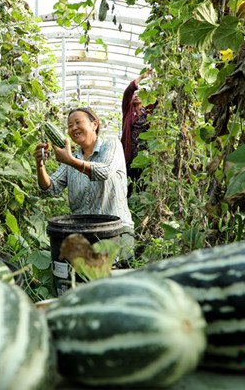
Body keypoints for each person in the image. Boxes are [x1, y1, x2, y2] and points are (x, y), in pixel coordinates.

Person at [34, 107, 134, 261]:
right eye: (69, 125)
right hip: (82, 233)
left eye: (78, 122)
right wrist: (40, 165)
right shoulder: (71, 159)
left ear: (94, 124)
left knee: (116, 278)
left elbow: (104, 171)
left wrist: (71, 161)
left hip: (115, 231)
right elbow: (50, 189)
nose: (73, 128)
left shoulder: (111, 145)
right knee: (80, 282)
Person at [121, 67, 156, 196]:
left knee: (143, 185)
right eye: (135, 94)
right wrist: (142, 77)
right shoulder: (128, 110)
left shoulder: (149, 110)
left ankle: (141, 208)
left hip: (145, 155)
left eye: (139, 94)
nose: (136, 95)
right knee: (128, 186)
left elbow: (158, 97)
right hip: (130, 154)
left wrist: (154, 79)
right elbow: (128, 91)